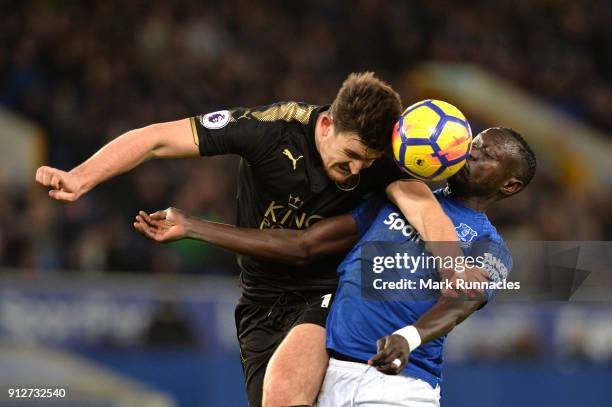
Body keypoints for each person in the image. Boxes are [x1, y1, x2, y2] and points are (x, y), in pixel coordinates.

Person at [36, 72, 461, 407]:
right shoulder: (269, 129)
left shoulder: (381, 163)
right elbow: (156, 139)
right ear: (327, 123)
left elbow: (426, 210)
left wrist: (453, 268)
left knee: (284, 397)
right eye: (349, 157)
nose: (355, 172)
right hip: (260, 300)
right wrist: (80, 176)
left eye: (365, 163)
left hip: (329, 297)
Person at [134, 127, 536, 406]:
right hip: (330, 374)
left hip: (400, 386)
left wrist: (409, 338)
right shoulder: (399, 197)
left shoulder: (493, 249)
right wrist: (193, 226)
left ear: (510, 185)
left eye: (486, 156)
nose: (471, 154)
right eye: (474, 144)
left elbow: (460, 301)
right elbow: (305, 245)